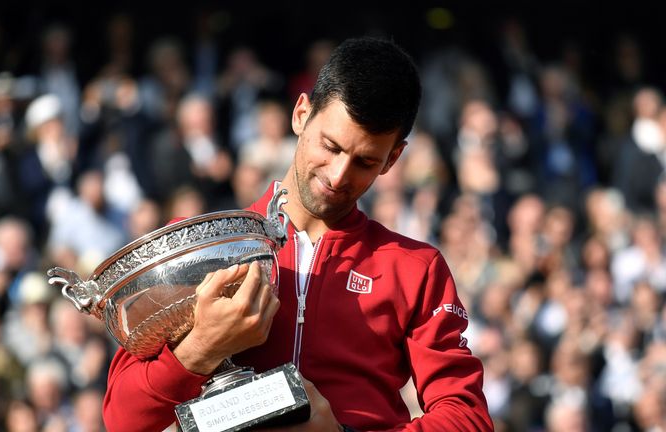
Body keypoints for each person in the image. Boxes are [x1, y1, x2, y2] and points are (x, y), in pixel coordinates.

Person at [103, 37, 493, 431]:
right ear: (301, 114)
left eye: (365, 161)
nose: (339, 175)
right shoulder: (194, 248)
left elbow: (468, 419)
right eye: (331, 146)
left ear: (393, 159)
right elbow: (122, 419)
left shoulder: (415, 269)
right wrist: (201, 347)